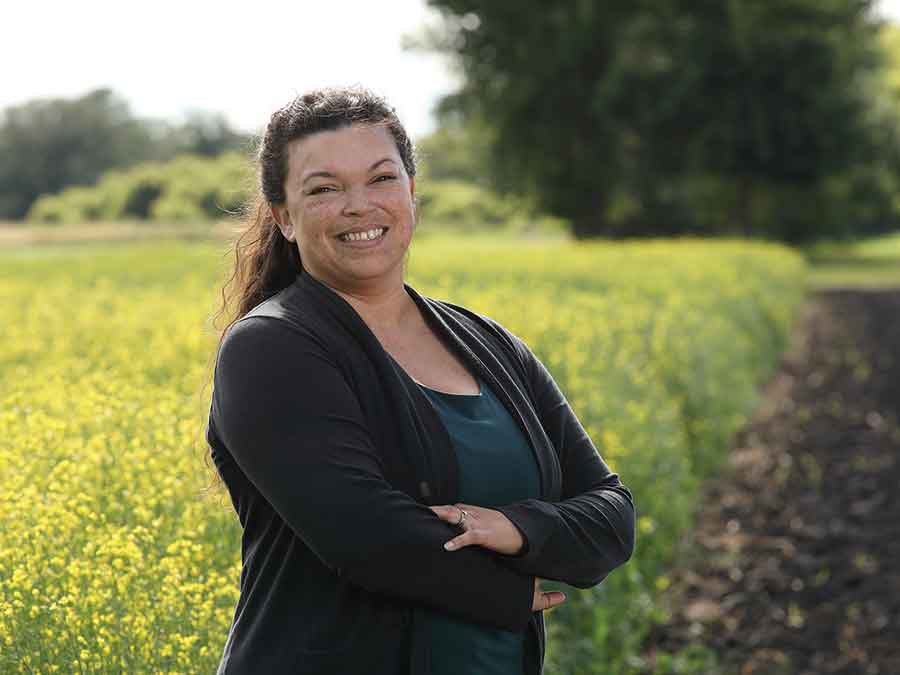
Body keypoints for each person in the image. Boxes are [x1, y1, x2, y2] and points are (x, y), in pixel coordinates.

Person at [204, 85, 636, 675]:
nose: (359, 205)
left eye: (381, 179)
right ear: (283, 217)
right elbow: (365, 536)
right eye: (324, 189)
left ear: (413, 193)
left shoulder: (490, 343)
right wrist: (511, 591)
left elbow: (612, 516)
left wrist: (515, 526)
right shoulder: (270, 347)